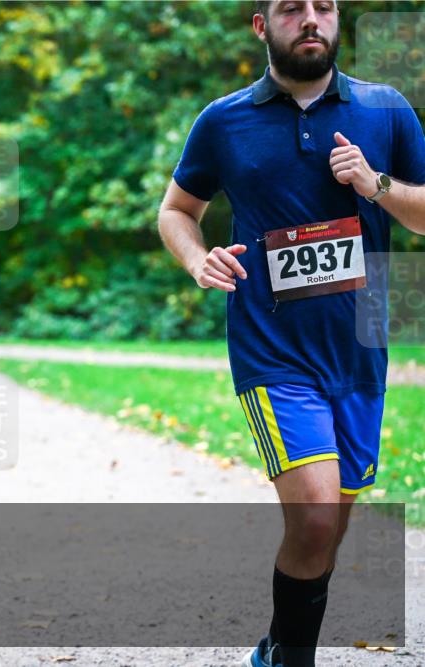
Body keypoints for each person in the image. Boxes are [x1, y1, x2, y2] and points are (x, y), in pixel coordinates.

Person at [157, 2, 425, 666]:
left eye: (323, 7)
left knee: (325, 529)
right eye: (291, 8)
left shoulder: (386, 109)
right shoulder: (224, 121)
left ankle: (277, 647)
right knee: (314, 517)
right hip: (272, 350)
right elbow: (177, 211)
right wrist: (197, 259)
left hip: (358, 352)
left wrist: (375, 183)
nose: (311, 19)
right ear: (262, 25)